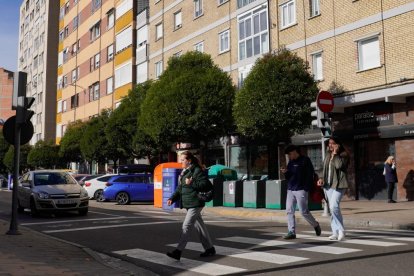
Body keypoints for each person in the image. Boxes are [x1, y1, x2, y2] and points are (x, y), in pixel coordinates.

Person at [166, 151, 215, 260]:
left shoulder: (196, 170)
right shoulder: (185, 172)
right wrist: (172, 198)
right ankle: (209, 249)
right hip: (190, 203)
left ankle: (178, 251)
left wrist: (191, 183)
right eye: (180, 160)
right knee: (200, 227)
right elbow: (180, 188)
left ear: (189, 161)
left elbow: (206, 185)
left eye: (183, 160)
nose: (181, 162)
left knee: (186, 226)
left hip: (196, 203)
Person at [280, 145, 321, 240]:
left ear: (295, 151)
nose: (289, 156)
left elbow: (310, 175)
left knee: (303, 211)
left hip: (301, 189)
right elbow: (289, 176)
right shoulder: (290, 162)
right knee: (289, 210)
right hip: (290, 189)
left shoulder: (305, 160)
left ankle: (315, 224)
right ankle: (291, 232)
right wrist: (285, 172)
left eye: (290, 154)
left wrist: (306, 188)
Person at [317, 136, 349, 241]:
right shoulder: (327, 155)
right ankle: (335, 232)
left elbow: (339, 166)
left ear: (338, 145)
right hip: (328, 185)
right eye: (329, 143)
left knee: (334, 207)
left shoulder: (344, 155)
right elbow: (322, 168)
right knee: (332, 208)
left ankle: (341, 230)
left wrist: (335, 154)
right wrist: (321, 178)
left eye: (333, 143)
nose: (330, 145)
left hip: (339, 184)